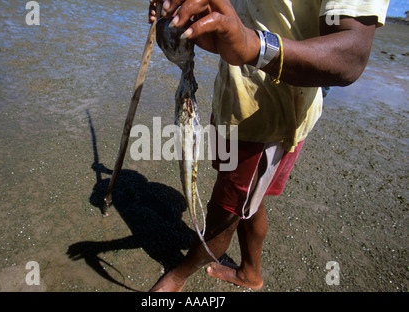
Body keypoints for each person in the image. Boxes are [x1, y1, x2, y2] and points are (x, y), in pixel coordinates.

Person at [148, 0, 389, 291]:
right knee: (249, 199)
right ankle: (251, 272)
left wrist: (254, 46)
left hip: (266, 121)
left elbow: (351, 55)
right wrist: (191, 18)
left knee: (223, 213)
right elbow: (237, 21)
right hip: (232, 101)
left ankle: (180, 274)